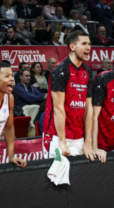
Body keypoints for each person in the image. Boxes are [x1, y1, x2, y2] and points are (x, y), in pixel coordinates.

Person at [42, 30, 94, 159]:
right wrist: (62, 142)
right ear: (72, 47)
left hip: (78, 136)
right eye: (84, 44)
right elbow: (58, 108)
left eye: (89, 44)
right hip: (56, 136)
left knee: (78, 177)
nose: (89, 47)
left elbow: (88, 108)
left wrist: (88, 141)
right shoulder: (60, 69)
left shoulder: (87, 71)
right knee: (55, 177)